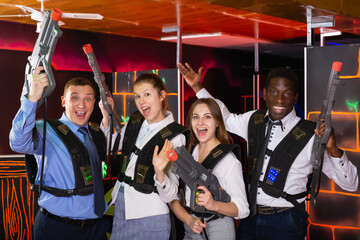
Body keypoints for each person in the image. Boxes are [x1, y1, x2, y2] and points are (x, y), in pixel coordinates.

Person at [178, 62, 359, 240]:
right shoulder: (254, 119)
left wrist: (334, 149)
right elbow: (223, 117)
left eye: (287, 94)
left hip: (286, 220)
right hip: (250, 217)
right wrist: (197, 86)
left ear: (295, 97)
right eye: (274, 92)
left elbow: (351, 184)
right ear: (265, 94)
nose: (280, 100)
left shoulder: (311, 134)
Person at [9, 66, 110, 240]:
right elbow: (18, 143)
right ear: (63, 101)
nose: (81, 104)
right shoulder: (45, 130)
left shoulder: (95, 133)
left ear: (94, 103)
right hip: (58, 228)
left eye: (88, 99)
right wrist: (32, 98)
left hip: (95, 228)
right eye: (75, 98)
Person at [100, 73, 188, 239]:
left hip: (150, 216)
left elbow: (171, 194)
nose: (141, 101)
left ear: (162, 95)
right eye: (137, 96)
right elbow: (110, 147)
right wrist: (106, 117)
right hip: (121, 207)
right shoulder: (135, 120)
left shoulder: (176, 136)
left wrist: (160, 172)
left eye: (147, 94)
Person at [167, 98, 249, 240]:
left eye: (207, 117)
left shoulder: (228, 160)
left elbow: (242, 209)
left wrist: (214, 205)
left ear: (217, 122)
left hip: (219, 228)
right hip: (191, 226)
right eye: (195, 117)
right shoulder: (189, 152)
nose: (200, 123)